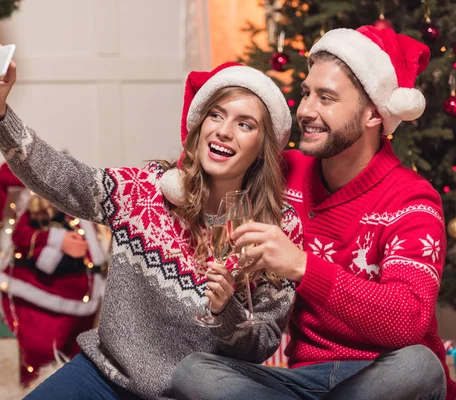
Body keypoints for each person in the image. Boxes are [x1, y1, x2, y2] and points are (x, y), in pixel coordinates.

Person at [0, 40, 298, 399]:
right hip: (103, 377)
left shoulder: (277, 230)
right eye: (216, 115)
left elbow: (261, 346)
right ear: (199, 127)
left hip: (191, 393)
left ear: (262, 147)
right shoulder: (146, 190)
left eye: (245, 124)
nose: (224, 130)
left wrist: (227, 311)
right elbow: (64, 178)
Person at [172, 25, 456, 400]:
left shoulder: (411, 200)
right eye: (306, 93)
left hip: (379, 378)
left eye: (326, 98)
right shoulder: (284, 172)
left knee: (419, 366)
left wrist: (303, 266)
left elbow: (408, 321)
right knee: (194, 371)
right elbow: (211, 165)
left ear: (373, 113)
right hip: (300, 382)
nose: (305, 110)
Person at [0, 163, 108, 385]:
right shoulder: (38, 204)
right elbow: (21, 236)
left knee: (75, 362)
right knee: (41, 361)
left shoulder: (79, 202)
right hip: (45, 298)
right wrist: (58, 241)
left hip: (83, 302)